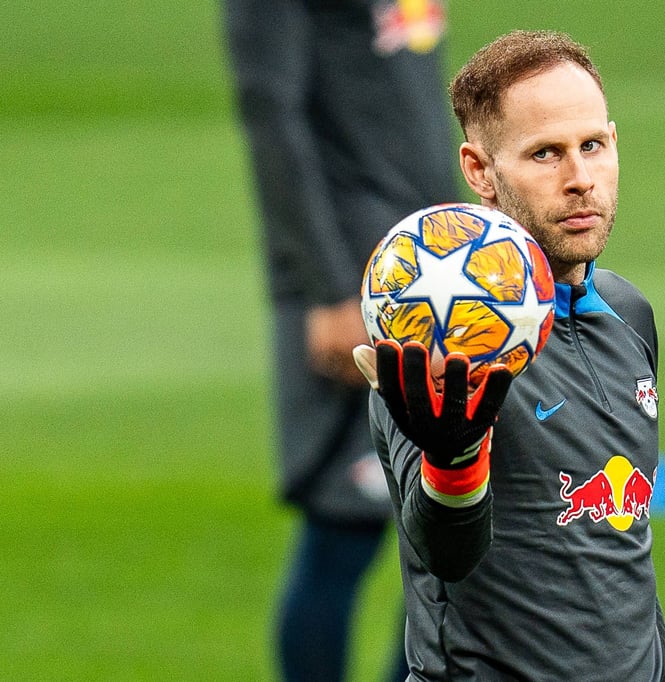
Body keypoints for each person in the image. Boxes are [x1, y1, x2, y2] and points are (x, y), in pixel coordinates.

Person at [354, 30, 665, 680]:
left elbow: (626, 560)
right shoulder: (440, 345)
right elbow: (445, 553)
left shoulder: (628, 317)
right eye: (545, 154)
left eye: (593, 146)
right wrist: (455, 462)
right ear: (480, 171)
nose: (580, 179)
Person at [223, 1, 458, 680]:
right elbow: (271, 112)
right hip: (354, 271)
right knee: (344, 530)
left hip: (434, 261)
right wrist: (329, 289)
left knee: (448, 535)